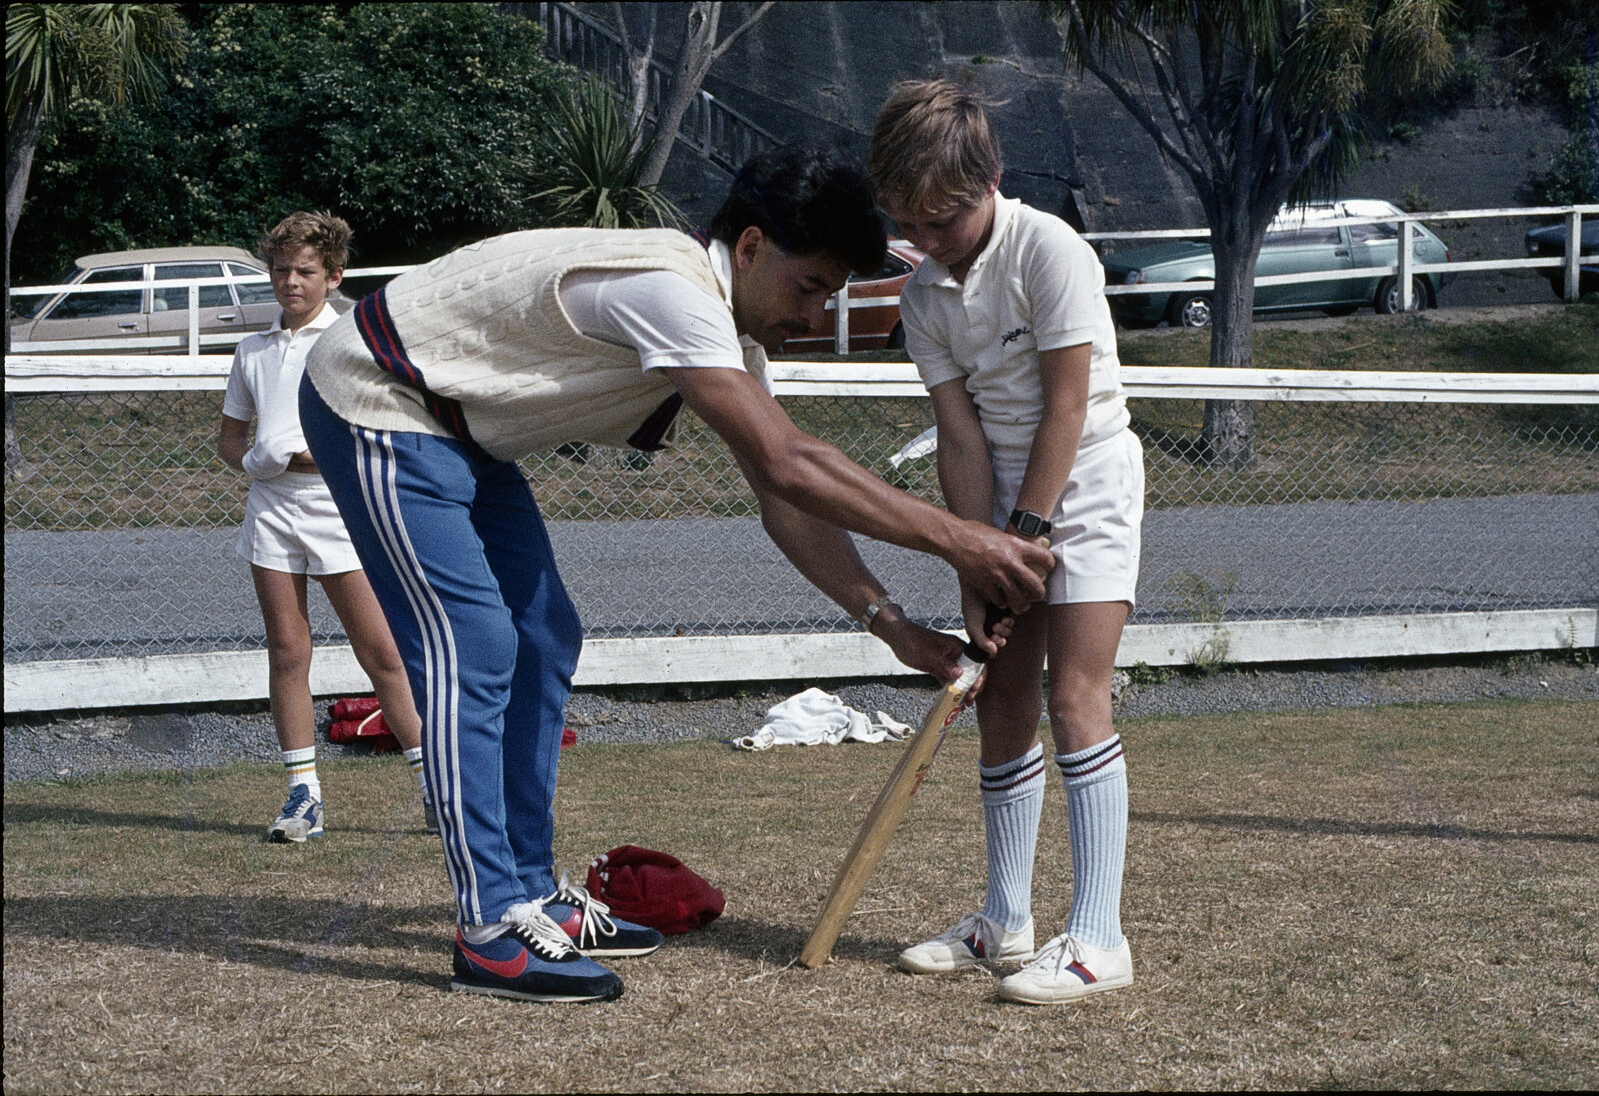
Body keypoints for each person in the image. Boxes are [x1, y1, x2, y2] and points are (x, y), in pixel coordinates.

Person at [296, 144, 1055, 1005]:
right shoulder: (672, 290)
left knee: (543, 636)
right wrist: (968, 543)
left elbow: (789, 501)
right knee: (475, 645)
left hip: (460, 426)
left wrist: (895, 626)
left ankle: (534, 890)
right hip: (376, 394)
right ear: (753, 247)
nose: (812, 315)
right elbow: (790, 462)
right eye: (809, 288)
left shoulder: (721, 330)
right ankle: (490, 927)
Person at [867, 80, 1145, 1005]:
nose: (930, 238)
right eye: (911, 222)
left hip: (1091, 476)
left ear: (989, 179)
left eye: (943, 218)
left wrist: (1024, 535)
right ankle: (1002, 921)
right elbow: (960, 434)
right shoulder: (922, 296)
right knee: (1002, 703)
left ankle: (1101, 938)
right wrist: (975, 556)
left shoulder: (1049, 249)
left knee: (1075, 696)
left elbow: (1067, 404)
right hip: (1000, 505)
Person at [217, 211, 430, 843]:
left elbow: (381, 426)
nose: (291, 282)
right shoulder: (252, 349)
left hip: (340, 510)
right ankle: (302, 795)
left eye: (306, 272)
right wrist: (254, 458)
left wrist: (319, 456)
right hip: (272, 513)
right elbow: (229, 440)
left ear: (333, 275)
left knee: (383, 653)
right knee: (288, 651)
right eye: (281, 270)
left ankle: (433, 788)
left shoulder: (349, 339)